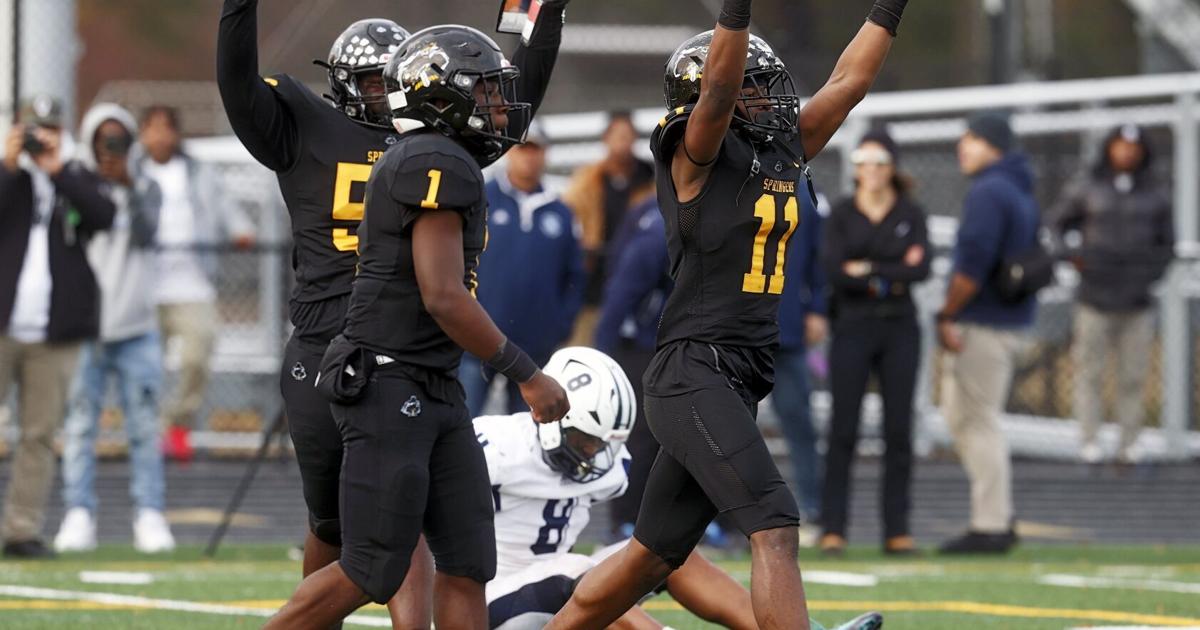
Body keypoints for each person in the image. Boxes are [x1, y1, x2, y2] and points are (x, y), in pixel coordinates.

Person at [546, 1, 907, 628]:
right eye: (756, 90)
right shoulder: (692, 157)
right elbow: (716, 88)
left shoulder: (781, 152)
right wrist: (736, 11)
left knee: (650, 559)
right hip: (694, 369)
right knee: (775, 522)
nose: (772, 100)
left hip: (735, 375)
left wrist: (889, 7)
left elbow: (848, 83)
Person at [219, 5, 566, 621]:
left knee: (446, 544)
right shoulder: (414, 153)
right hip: (358, 351)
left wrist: (544, 15)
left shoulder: (437, 148)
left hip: (420, 356)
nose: (387, 92)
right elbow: (443, 292)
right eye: (375, 80)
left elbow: (518, 95)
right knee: (347, 532)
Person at [54, 103, 175, 555]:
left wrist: (127, 185)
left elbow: (147, 234)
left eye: (118, 139)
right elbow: (70, 237)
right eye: (103, 140)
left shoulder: (148, 187)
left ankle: (150, 513)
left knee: (144, 425)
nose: (111, 148)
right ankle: (79, 512)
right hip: (86, 327)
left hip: (137, 325)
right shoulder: (76, 189)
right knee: (81, 423)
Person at [0, 96, 116, 558]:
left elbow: (104, 215)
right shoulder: (10, 178)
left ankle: (21, 529)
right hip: (4, 324)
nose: (39, 138)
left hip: (55, 333)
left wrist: (57, 170)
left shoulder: (76, 177)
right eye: (33, 129)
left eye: (48, 129)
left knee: (39, 434)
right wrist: (10, 166)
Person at [818, 130, 929, 557]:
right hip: (853, 325)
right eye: (865, 162)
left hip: (900, 328)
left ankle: (897, 529)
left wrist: (865, 269)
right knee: (843, 428)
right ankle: (834, 527)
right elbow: (834, 269)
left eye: (881, 162)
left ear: (893, 168)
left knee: (898, 430)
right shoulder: (843, 214)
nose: (873, 171)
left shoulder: (910, 213)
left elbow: (920, 271)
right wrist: (891, 270)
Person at [936, 112, 1039, 555]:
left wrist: (947, 314)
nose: (964, 147)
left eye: (972, 139)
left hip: (983, 321)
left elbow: (971, 267)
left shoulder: (990, 191)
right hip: (1008, 320)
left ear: (994, 144)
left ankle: (992, 523)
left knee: (977, 421)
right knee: (968, 417)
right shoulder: (1017, 188)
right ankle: (997, 514)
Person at [1045, 124, 1174, 464]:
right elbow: (1057, 224)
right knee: (1090, 372)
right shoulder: (1088, 187)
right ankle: (1089, 440)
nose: (1126, 153)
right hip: (1094, 296)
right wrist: (1073, 259)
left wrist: (1150, 274)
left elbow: (1167, 244)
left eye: (1133, 147)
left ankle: (1129, 442)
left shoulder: (1156, 193)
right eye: (1120, 146)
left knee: (1133, 375)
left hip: (1136, 300)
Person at [138, 104, 254, 461]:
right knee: (143, 365)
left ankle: (177, 422)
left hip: (192, 284)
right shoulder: (132, 173)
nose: (160, 136)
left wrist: (241, 230)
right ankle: (145, 430)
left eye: (166, 128)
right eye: (152, 128)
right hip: (143, 289)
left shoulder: (197, 172)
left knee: (196, 356)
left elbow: (223, 207)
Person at [460, 122, 585, 417]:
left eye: (536, 150)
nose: (529, 157)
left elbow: (574, 275)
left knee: (531, 431)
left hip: (535, 348)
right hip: (478, 339)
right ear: (510, 152)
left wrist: (561, 326)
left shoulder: (561, 211)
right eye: (523, 149)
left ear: (545, 155)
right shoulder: (482, 198)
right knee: (465, 425)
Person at [593, 193, 671, 538]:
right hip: (647, 345)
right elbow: (624, 289)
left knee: (682, 437)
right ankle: (625, 519)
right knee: (641, 435)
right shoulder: (660, 223)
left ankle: (679, 521)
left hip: (681, 342)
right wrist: (603, 350)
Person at [563, 112, 656, 346]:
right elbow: (569, 214)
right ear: (605, 139)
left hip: (636, 278)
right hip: (593, 276)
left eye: (627, 136)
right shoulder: (588, 180)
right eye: (617, 136)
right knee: (585, 345)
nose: (622, 142)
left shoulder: (650, 179)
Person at [773, 187, 828, 530]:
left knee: (799, 421)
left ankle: (810, 507)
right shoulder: (729, 177)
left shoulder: (804, 191)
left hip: (786, 329)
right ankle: (723, 519)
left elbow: (819, 258)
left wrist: (817, 308)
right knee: (722, 427)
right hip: (736, 330)